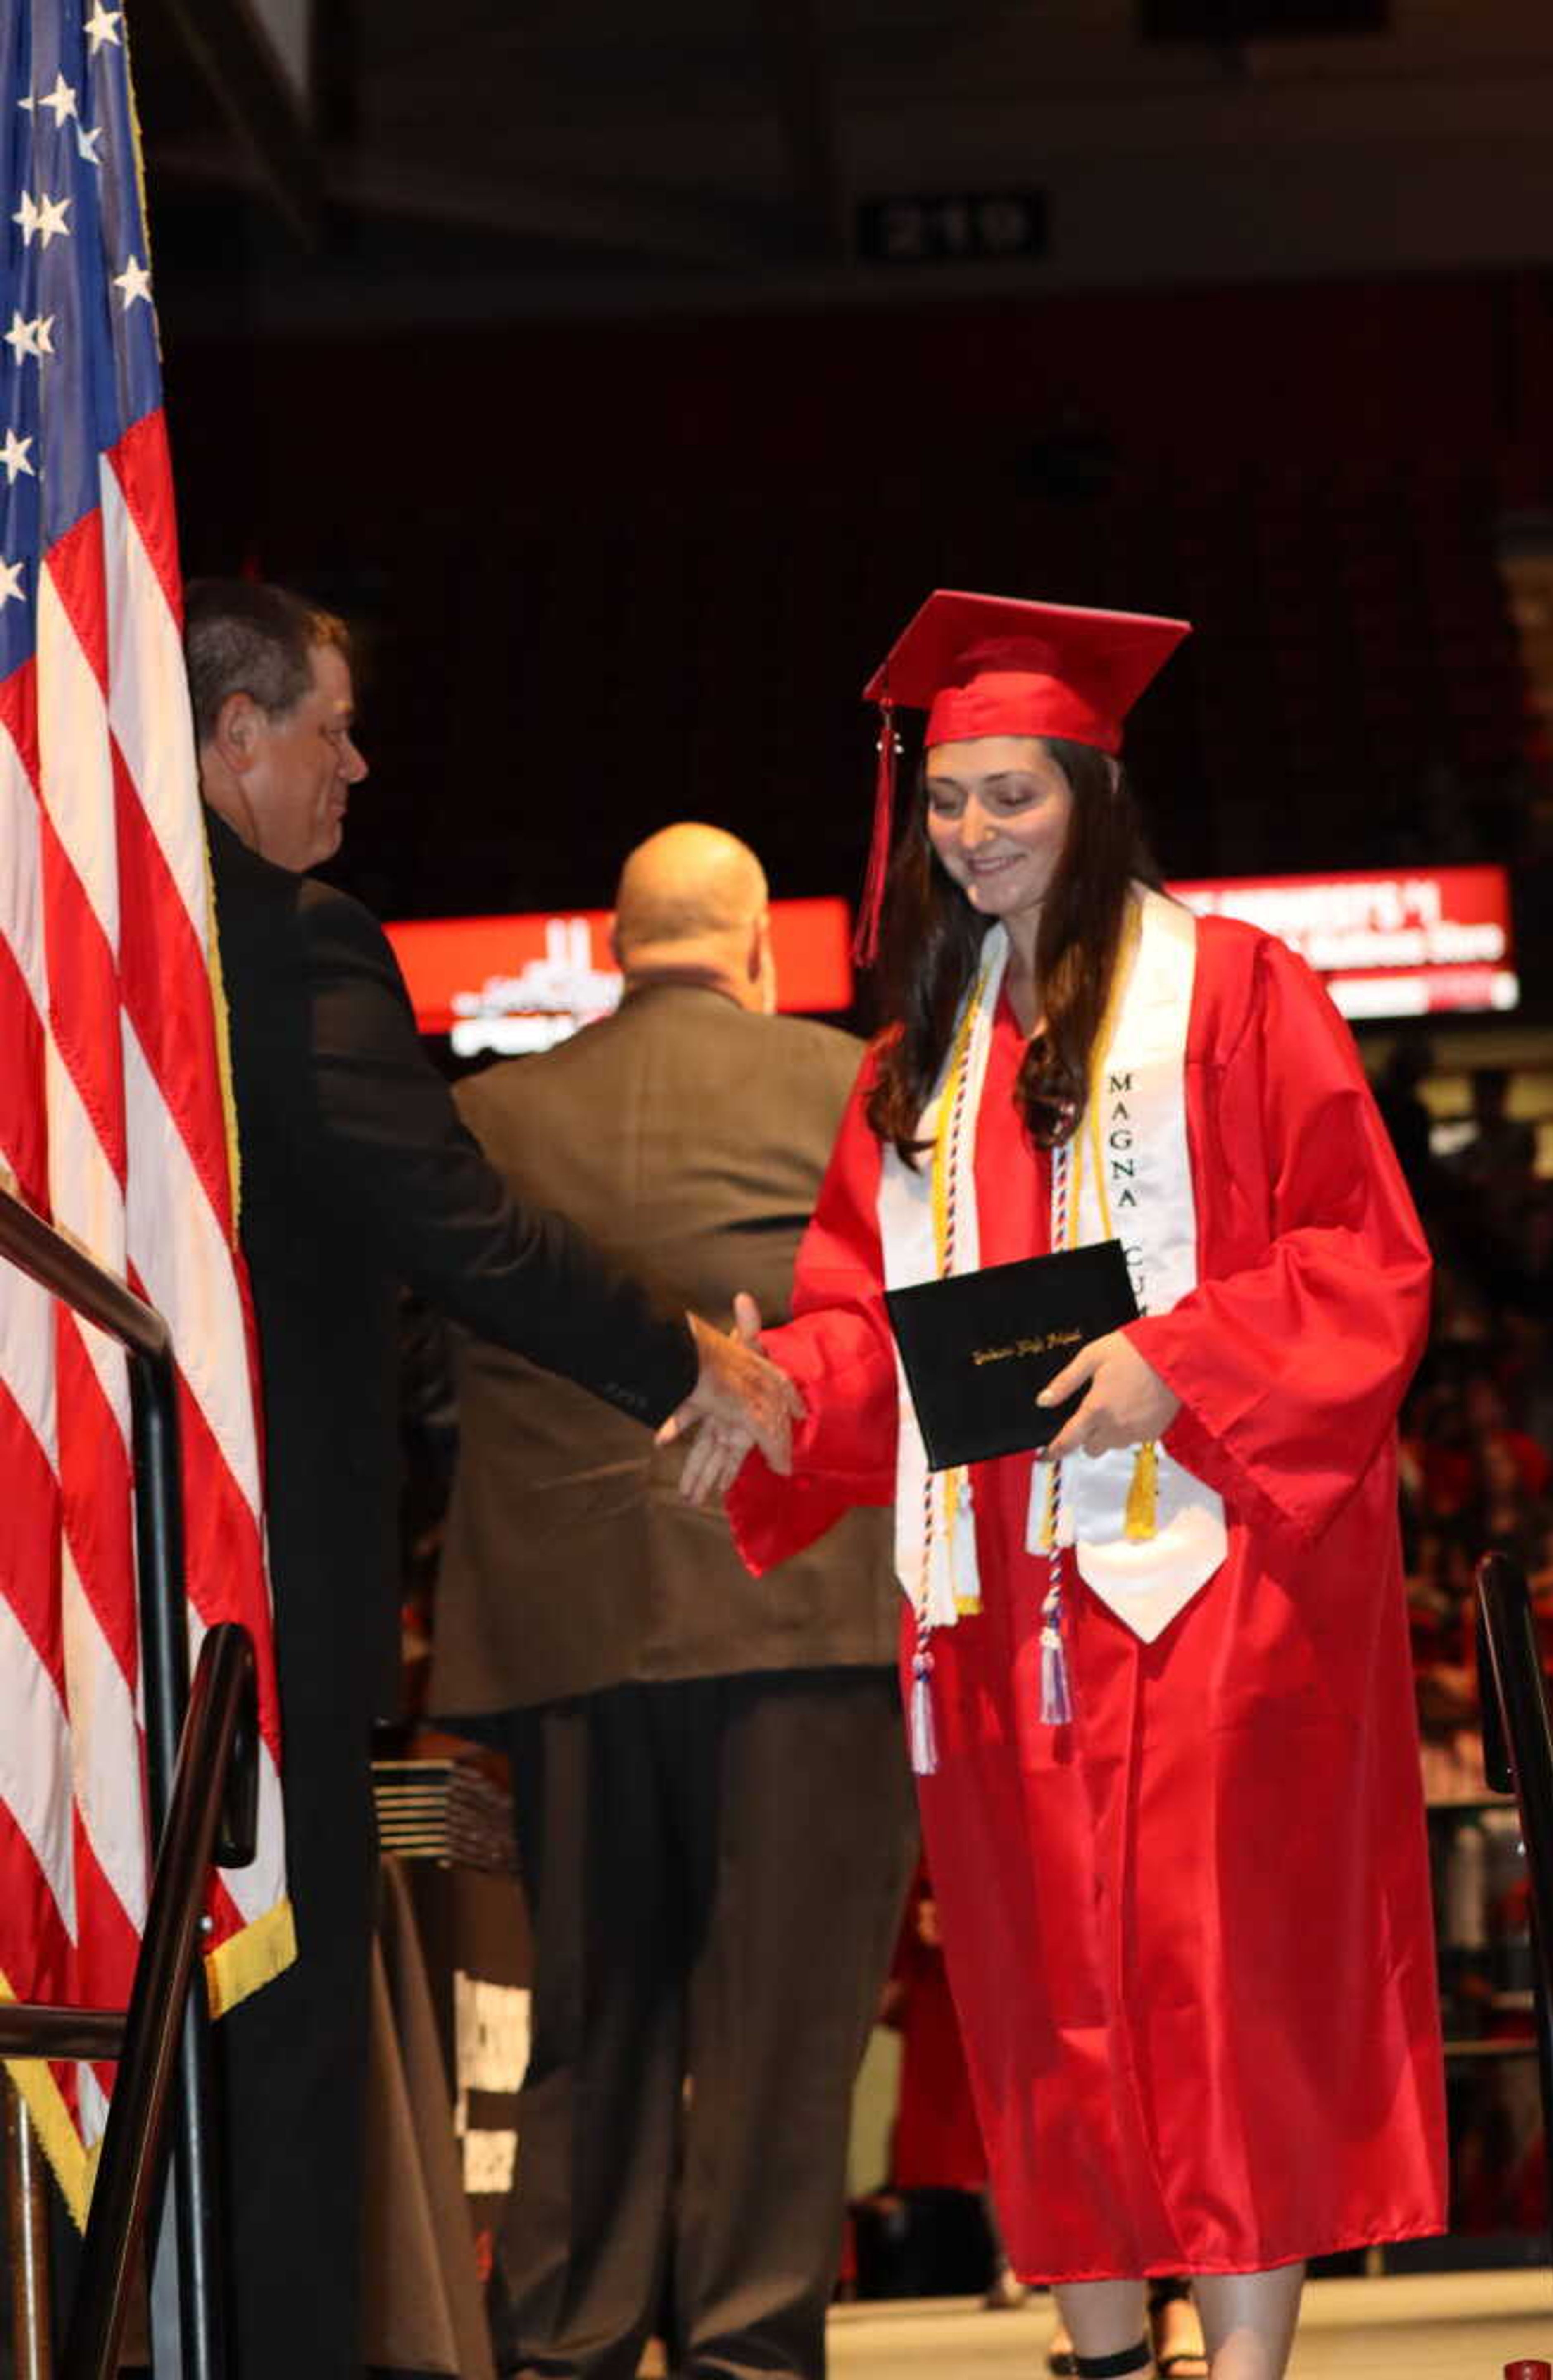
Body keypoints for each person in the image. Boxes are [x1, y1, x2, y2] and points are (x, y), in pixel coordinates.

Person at [697, 593, 1447, 2380]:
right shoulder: (914, 1069)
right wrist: (774, 1391)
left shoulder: (1245, 994)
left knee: (1216, 1981)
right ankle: (1110, 2355)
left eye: (1011, 796)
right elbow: (865, 1326)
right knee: (1051, 1999)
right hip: (993, 1612)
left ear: (1093, 792)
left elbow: (1366, 1260)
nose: (972, 836)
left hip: (1207, 1576)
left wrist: (1179, 1360)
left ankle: (1245, 2368)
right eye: (951, 801)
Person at [186, 582, 797, 2380]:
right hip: (258, 1577)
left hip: (86, 1590)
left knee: (136, 2015)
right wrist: (688, 1358)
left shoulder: (75, 946)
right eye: (330, 729)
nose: (357, 766)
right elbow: (455, 1226)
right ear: (233, 737)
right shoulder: (291, 941)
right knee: (277, 2019)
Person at [428, 822, 916, 2380]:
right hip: (809, 1616)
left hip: (568, 1627)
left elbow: (434, 1383)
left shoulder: (488, 1114)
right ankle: (748, 2354)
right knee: (784, 2034)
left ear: (617, 944)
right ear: (759, 948)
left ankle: (566, 2343)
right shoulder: (854, 1085)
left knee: (591, 2013)